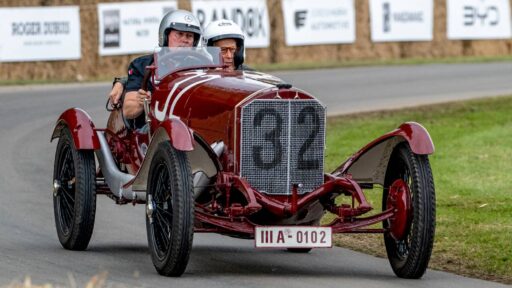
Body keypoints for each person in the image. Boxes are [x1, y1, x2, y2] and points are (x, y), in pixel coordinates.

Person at [108, 9, 201, 122]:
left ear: (194, 42)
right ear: (165, 36)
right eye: (179, 34)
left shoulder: (202, 66)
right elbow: (128, 111)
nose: (184, 40)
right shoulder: (142, 65)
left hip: (191, 124)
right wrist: (143, 101)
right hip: (151, 129)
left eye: (189, 36)